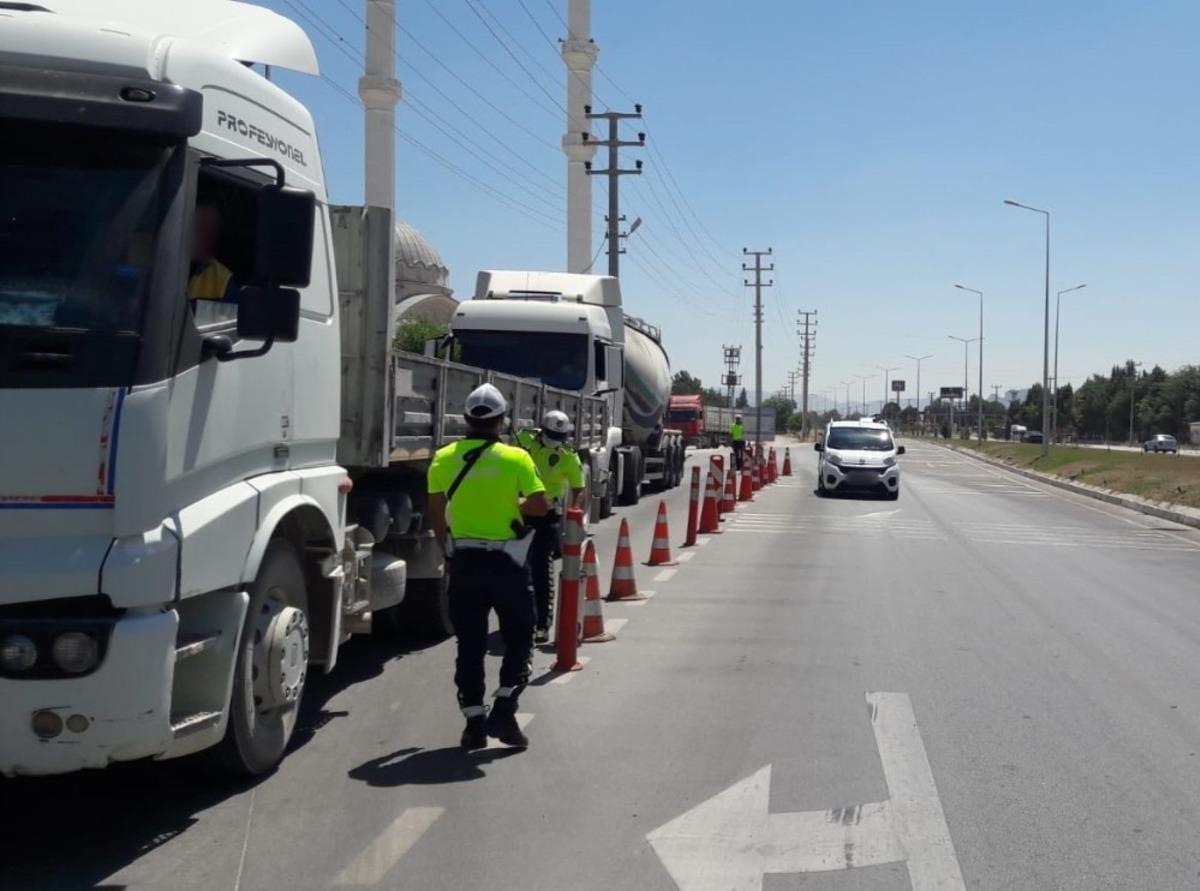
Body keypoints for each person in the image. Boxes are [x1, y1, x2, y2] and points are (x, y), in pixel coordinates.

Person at [427, 383, 549, 750]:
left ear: (466, 419)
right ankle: (505, 708)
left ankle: (474, 723)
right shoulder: (517, 459)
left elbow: (436, 511)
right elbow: (540, 506)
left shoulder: (443, 457)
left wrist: (446, 551)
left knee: (470, 644)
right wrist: (515, 500)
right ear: (501, 421)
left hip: (464, 562)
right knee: (521, 637)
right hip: (508, 564)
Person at [516, 410, 588, 644]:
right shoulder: (525, 439)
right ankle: (517, 617)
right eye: (551, 434)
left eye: (560, 435)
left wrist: (576, 512)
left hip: (547, 514)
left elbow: (579, 487)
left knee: (540, 564)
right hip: (519, 509)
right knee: (513, 565)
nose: (555, 439)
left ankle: (542, 624)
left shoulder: (568, 455)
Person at [187, 201, 239, 307]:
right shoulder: (158, 265)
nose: (206, 234)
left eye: (212, 229)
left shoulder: (222, 281)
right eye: (201, 225)